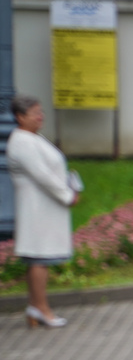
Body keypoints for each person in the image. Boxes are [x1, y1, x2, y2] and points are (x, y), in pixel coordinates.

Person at [6, 94, 77, 328]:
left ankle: (36, 307)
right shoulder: (22, 142)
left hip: (43, 207)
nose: (41, 116)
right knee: (39, 258)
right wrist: (67, 195)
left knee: (39, 259)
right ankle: (41, 308)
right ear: (20, 117)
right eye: (35, 113)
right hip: (36, 209)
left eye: (41, 112)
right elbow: (43, 176)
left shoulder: (32, 138)